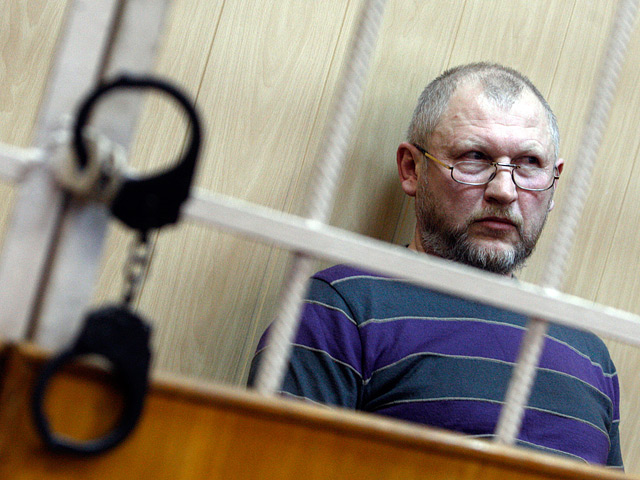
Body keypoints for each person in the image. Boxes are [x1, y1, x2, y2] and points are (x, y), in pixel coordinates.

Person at [249, 63, 622, 467]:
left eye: (529, 163)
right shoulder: (341, 311)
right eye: (474, 158)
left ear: (554, 182)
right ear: (412, 169)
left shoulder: (590, 356)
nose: (503, 190)